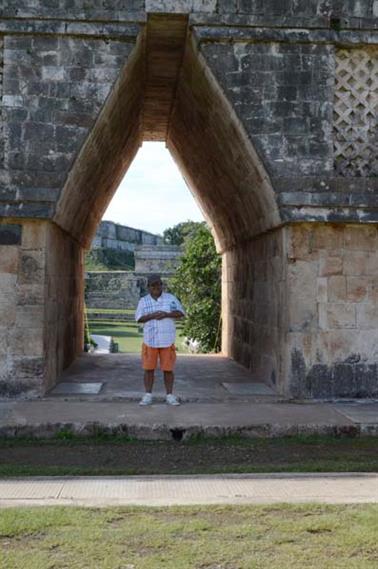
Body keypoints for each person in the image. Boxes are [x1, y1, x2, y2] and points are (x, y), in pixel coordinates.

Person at [135, 274, 185, 406]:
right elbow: (139, 318)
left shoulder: (170, 299)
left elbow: (180, 313)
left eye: (158, 284)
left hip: (167, 340)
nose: (156, 287)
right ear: (148, 287)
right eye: (153, 285)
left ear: (162, 285)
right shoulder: (143, 301)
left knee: (168, 369)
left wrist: (166, 314)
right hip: (150, 340)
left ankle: (169, 395)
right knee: (148, 369)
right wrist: (152, 316)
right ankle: (148, 395)